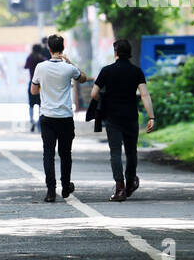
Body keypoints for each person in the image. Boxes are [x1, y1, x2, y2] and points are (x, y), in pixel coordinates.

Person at [91, 38, 155, 201]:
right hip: (130, 116)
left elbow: (93, 93)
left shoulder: (107, 70)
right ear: (130, 53)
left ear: (116, 52)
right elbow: (144, 94)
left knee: (115, 152)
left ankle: (119, 188)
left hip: (112, 117)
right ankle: (131, 182)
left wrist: (103, 99)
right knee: (131, 151)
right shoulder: (136, 71)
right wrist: (151, 116)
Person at [31, 34, 89, 203]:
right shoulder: (68, 68)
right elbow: (83, 78)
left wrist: (45, 86)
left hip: (47, 117)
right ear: (63, 48)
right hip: (65, 117)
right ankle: (65, 186)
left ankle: (50, 191)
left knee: (48, 154)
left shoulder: (40, 67)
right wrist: (70, 63)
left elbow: (33, 91)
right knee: (65, 154)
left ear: (49, 49)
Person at [25, 42, 47, 131]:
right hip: (41, 84)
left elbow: (25, 67)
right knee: (40, 104)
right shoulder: (43, 59)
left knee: (31, 104)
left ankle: (31, 120)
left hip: (32, 82)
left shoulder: (30, 58)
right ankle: (39, 123)